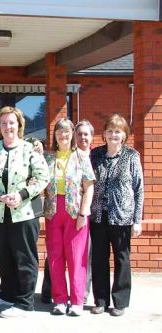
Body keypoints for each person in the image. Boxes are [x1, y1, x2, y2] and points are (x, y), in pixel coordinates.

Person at [0, 106, 49, 318]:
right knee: (4, 256)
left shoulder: (29, 149)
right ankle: (7, 294)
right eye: (4, 123)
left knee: (25, 258)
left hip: (24, 213)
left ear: (19, 125)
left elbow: (43, 177)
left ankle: (25, 303)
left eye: (12, 123)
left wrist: (22, 194)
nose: (8, 126)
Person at [89, 114, 144, 317]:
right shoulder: (95, 155)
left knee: (122, 259)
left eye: (118, 131)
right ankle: (100, 300)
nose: (113, 134)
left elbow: (139, 189)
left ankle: (120, 301)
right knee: (99, 259)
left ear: (124, 135)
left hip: (122, 217)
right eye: (110, 130)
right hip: (98, 216)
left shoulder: (132, 156)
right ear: (104, 134)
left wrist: (137, 220)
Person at [43, 118, 95, 316]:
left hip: (75, 212)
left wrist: (84, 212)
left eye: (66, 132)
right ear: (55, 135)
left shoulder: (81, 156)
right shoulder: (49, 158)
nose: (63, 135)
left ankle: (76, 301)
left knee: (76, 257)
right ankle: (59, 300)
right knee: (55, 257)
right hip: (53, 211)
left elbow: (89, 186)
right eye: (59, 132)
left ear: (72, 134)